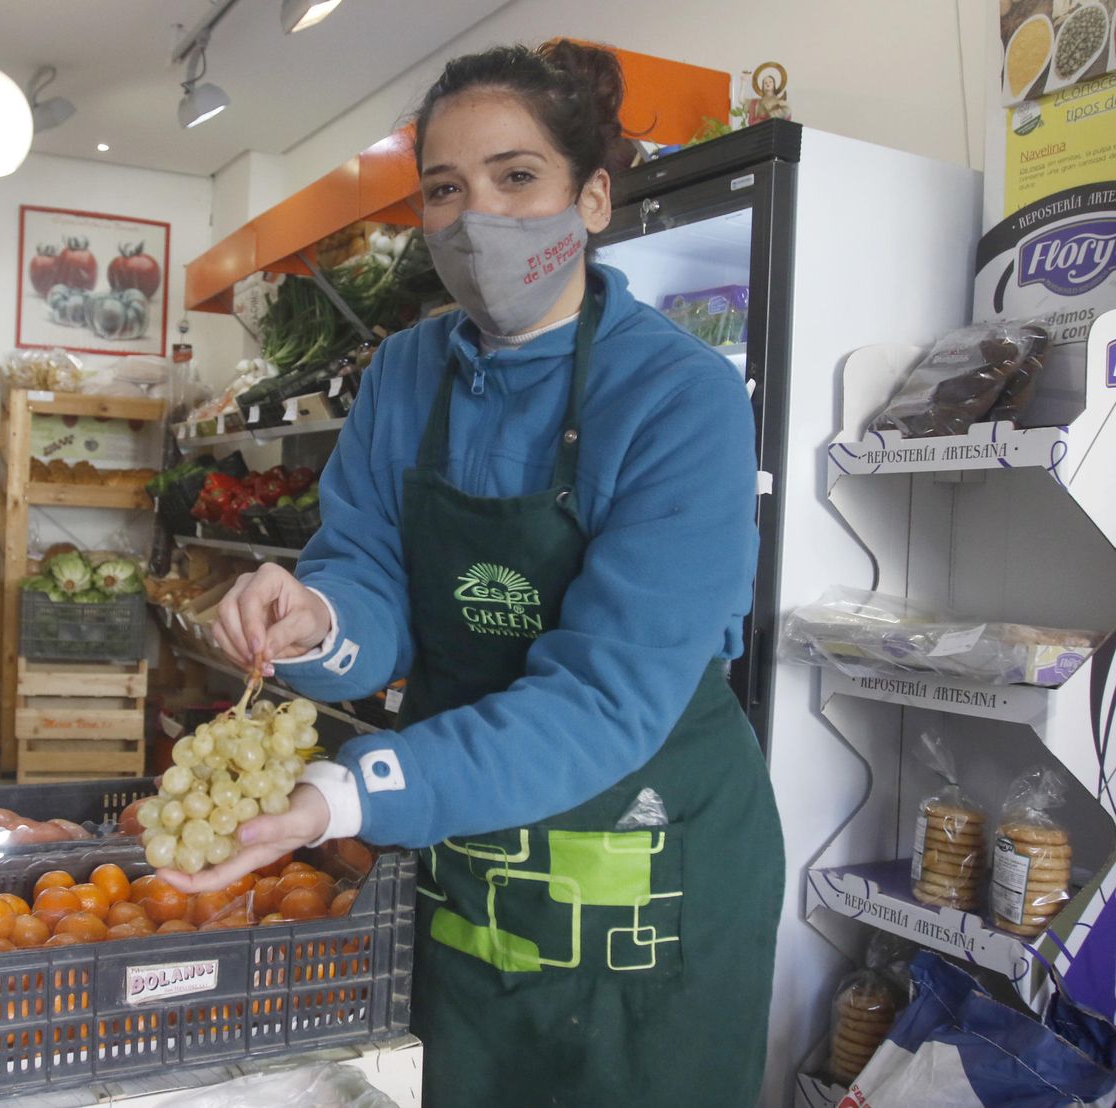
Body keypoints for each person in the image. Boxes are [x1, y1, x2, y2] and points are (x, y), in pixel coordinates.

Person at [161, 40, 785, 1106]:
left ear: (591, 197)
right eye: (443, 190)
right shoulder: (404, 372)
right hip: (462, 843)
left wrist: (349, 791)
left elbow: (606, 694)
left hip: (645, 859)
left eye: (516, 178)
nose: (476, 218)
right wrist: (315, 616)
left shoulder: (680, 397)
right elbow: (370, 579)